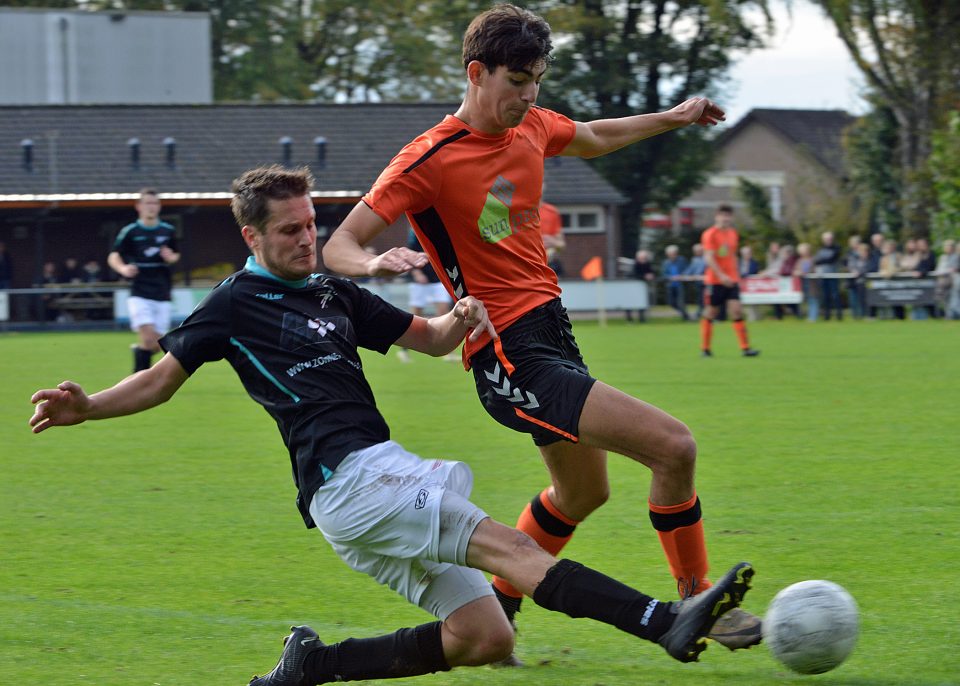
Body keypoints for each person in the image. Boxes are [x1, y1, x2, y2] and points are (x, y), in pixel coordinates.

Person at [29, 165, 756, 685]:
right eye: (289, 230)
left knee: (482, 636)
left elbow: (431, 340)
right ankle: (663, 621)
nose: (307, 239)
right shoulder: (232, 304)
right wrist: (88, 405)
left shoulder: (334, 290)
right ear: (250, 236)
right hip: (349, 482)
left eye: (313, 224)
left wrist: (460, 318)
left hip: (374, 478)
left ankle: (316, 664)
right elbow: (159, 381)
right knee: (506, 547)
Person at [321, 3, 761, 664]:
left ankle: (499, 616)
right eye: (517, 81)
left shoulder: (531, 127)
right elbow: (340, 245)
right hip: (508, 355)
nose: (528, 96)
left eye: (537, 82)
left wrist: (671, 118)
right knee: (674, 446)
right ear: (477, 72)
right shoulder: (429, 158)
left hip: (553, 336)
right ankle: (694, 596)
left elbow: (594, 135)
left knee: (583, 493)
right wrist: (375, 261)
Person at [108, 188, 180, 373]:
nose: (151, 207)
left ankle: (139, 359)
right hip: (139, 291)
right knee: (151, 340)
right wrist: (123, 268)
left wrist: (170, 256)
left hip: (162, 291)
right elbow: (114, 256)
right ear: (139, 206)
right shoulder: (131, 231)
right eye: (147, 203)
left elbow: (175, 255)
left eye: (155, 203)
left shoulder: (168, 230)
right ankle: (141, 380)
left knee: (157, 344)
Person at [699, 205, 760, 357]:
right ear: (716, 216)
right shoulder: (710, 234)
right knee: (712, 312)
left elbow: (731, 255)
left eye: (728, 215)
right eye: (722, 215)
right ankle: (705, 348)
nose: (725, 218)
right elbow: (709, 257)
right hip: (715, 280)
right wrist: (721, 276)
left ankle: (745, 348)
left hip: (732, 279)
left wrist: (735, 275)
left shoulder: (733, 233)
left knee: (737, 310)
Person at [398, 228, 456, 363]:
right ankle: (403, 351)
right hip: (420, 283)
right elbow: (408, 254)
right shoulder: (415, 232)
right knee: (416, 317)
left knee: (445, 312)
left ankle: (448, 352)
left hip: (437, 280)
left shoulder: (440, 230)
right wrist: (417, 273)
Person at [813, 231, 843, 321]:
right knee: (825, 296)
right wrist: (822, 260)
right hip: (823, 275)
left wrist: (822, 260)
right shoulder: (820, 249)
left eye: (830, 239)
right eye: (826, 239)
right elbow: (816, 261)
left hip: (833, 275)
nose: (828, 241)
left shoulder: (837, 248)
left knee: (835, 295)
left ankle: (839, 316)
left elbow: (832, 259)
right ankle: (827, 315)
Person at [662, 244, 689, 321]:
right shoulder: (666, 263)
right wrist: (670, 277)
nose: (672, 255)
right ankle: (684, 313)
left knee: (681, 302)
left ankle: (685, 317)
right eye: (670, 254)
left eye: (674, 253)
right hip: (670, 285)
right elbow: (664, 274)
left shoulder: (682, 260)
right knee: (671, 302)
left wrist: (681, 276)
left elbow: (687, 270)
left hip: (680, 285)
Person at [629, 249, 656, 322]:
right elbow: (634, 275)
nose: (643, 259)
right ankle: (629, 318)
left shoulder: (647, 264)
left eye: (645, 258)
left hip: (643, 288)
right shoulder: (635, 265)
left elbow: (652, 272)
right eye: (642, 258)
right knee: (630, 303)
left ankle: (642, 318)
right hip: (633, 288)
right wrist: (644, 276)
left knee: (642, 303)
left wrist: (651, 275)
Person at [684, 243, 707, 320]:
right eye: (696, 251)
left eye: (699, 250)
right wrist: (683, 275)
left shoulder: (706, 258)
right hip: (698, 282)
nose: (697, 252)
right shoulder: (694, 259)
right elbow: (690, 270)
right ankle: (700, 313)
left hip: (707, 282)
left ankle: (706, 315)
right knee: (700, 299)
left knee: (707, 300)